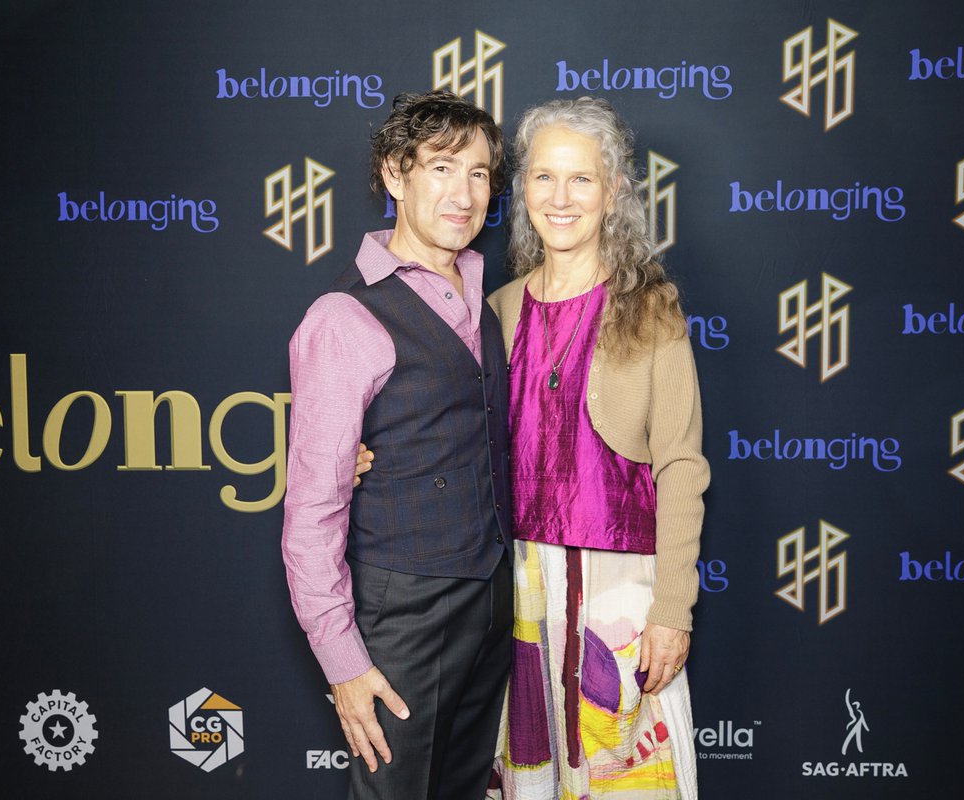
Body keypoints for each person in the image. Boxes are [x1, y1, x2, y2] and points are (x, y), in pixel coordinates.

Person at [281, 89, 514, 800]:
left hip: (493, 593)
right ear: (394, 175)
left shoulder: (487, 299)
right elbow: (311, 512)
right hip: (404, 604)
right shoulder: (343, 318)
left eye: (478, 173)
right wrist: (344, 663)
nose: (464, 192)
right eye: (442, 167)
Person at [485, 95, 708, 800]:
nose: (560, 197)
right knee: (526, 778)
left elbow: (680, 463)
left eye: (581, 179)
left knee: (628, 782)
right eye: (544, 177)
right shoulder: (499, 309)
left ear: (613, 192)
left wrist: (673, 608)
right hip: (516, 594)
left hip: (620, 597)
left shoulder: (650, 309)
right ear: (522, 190)